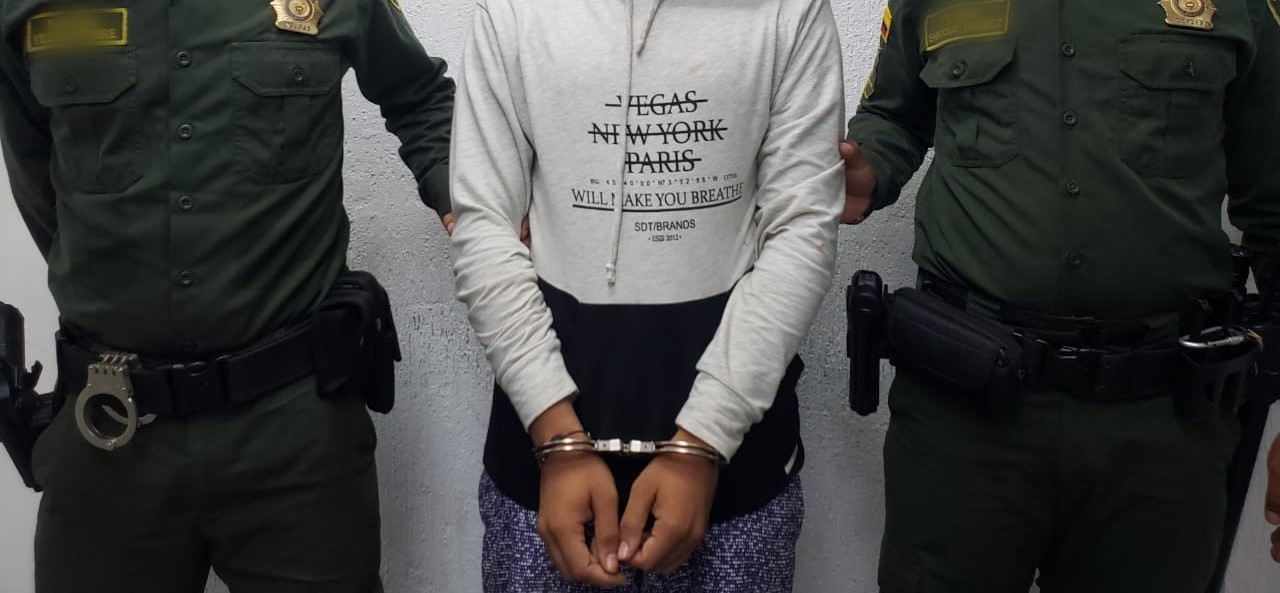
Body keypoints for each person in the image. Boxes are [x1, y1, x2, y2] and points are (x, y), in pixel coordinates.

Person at [0, 0, 454, 591]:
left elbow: (419, 95)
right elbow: (37, 175)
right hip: (108, 434)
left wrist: (463, 202)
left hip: (294, 433)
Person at [843, 0, 1279, 591]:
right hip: (962, 418)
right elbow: (894, 115)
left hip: (1161, 427)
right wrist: (869, 167)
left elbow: (1274, 202)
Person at [449, 0, 844, 590]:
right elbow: (485, 225)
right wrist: (558, 438)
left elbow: (803, 230)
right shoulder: (511, 11)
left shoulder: (792, 10)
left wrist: (704, 440)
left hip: (737, 477)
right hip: (544, 470)